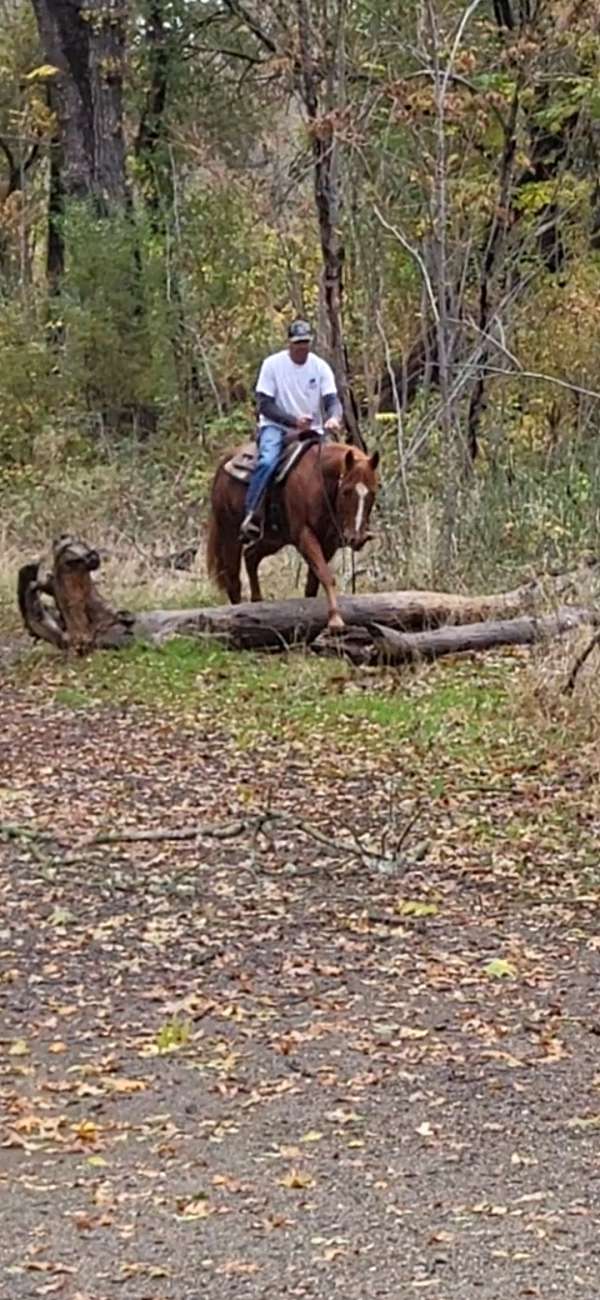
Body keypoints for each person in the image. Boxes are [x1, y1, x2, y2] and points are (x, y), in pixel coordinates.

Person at [239, 319, 343, 543]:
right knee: (267, 461)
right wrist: (293, 421)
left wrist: (334, 417)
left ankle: (338, 523)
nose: (302, 347)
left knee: (341, 467)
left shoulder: (320, 367)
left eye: (305, 342)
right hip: (276, 427)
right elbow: (264, 403)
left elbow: (331, 399)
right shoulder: (272, 365)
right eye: (298, 343)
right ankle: (253, 513)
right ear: (289, 344)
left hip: (312, 429)